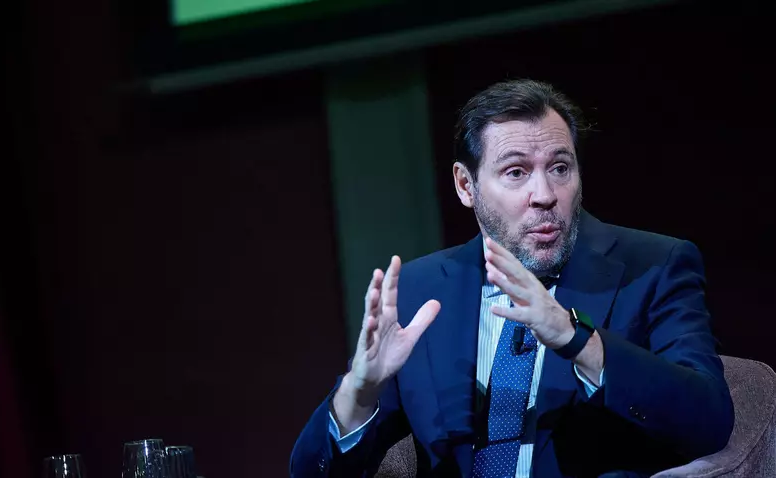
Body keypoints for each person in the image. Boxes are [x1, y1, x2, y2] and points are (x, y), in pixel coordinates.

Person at [289, 79, 734, 477]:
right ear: (466, 186)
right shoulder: (420, 291)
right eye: (516, 172)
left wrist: (576, 339)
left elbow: (709, 420)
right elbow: (312, 472)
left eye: (559, 168)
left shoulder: (653, 265)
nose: (544, 195)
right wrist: (359, 392)